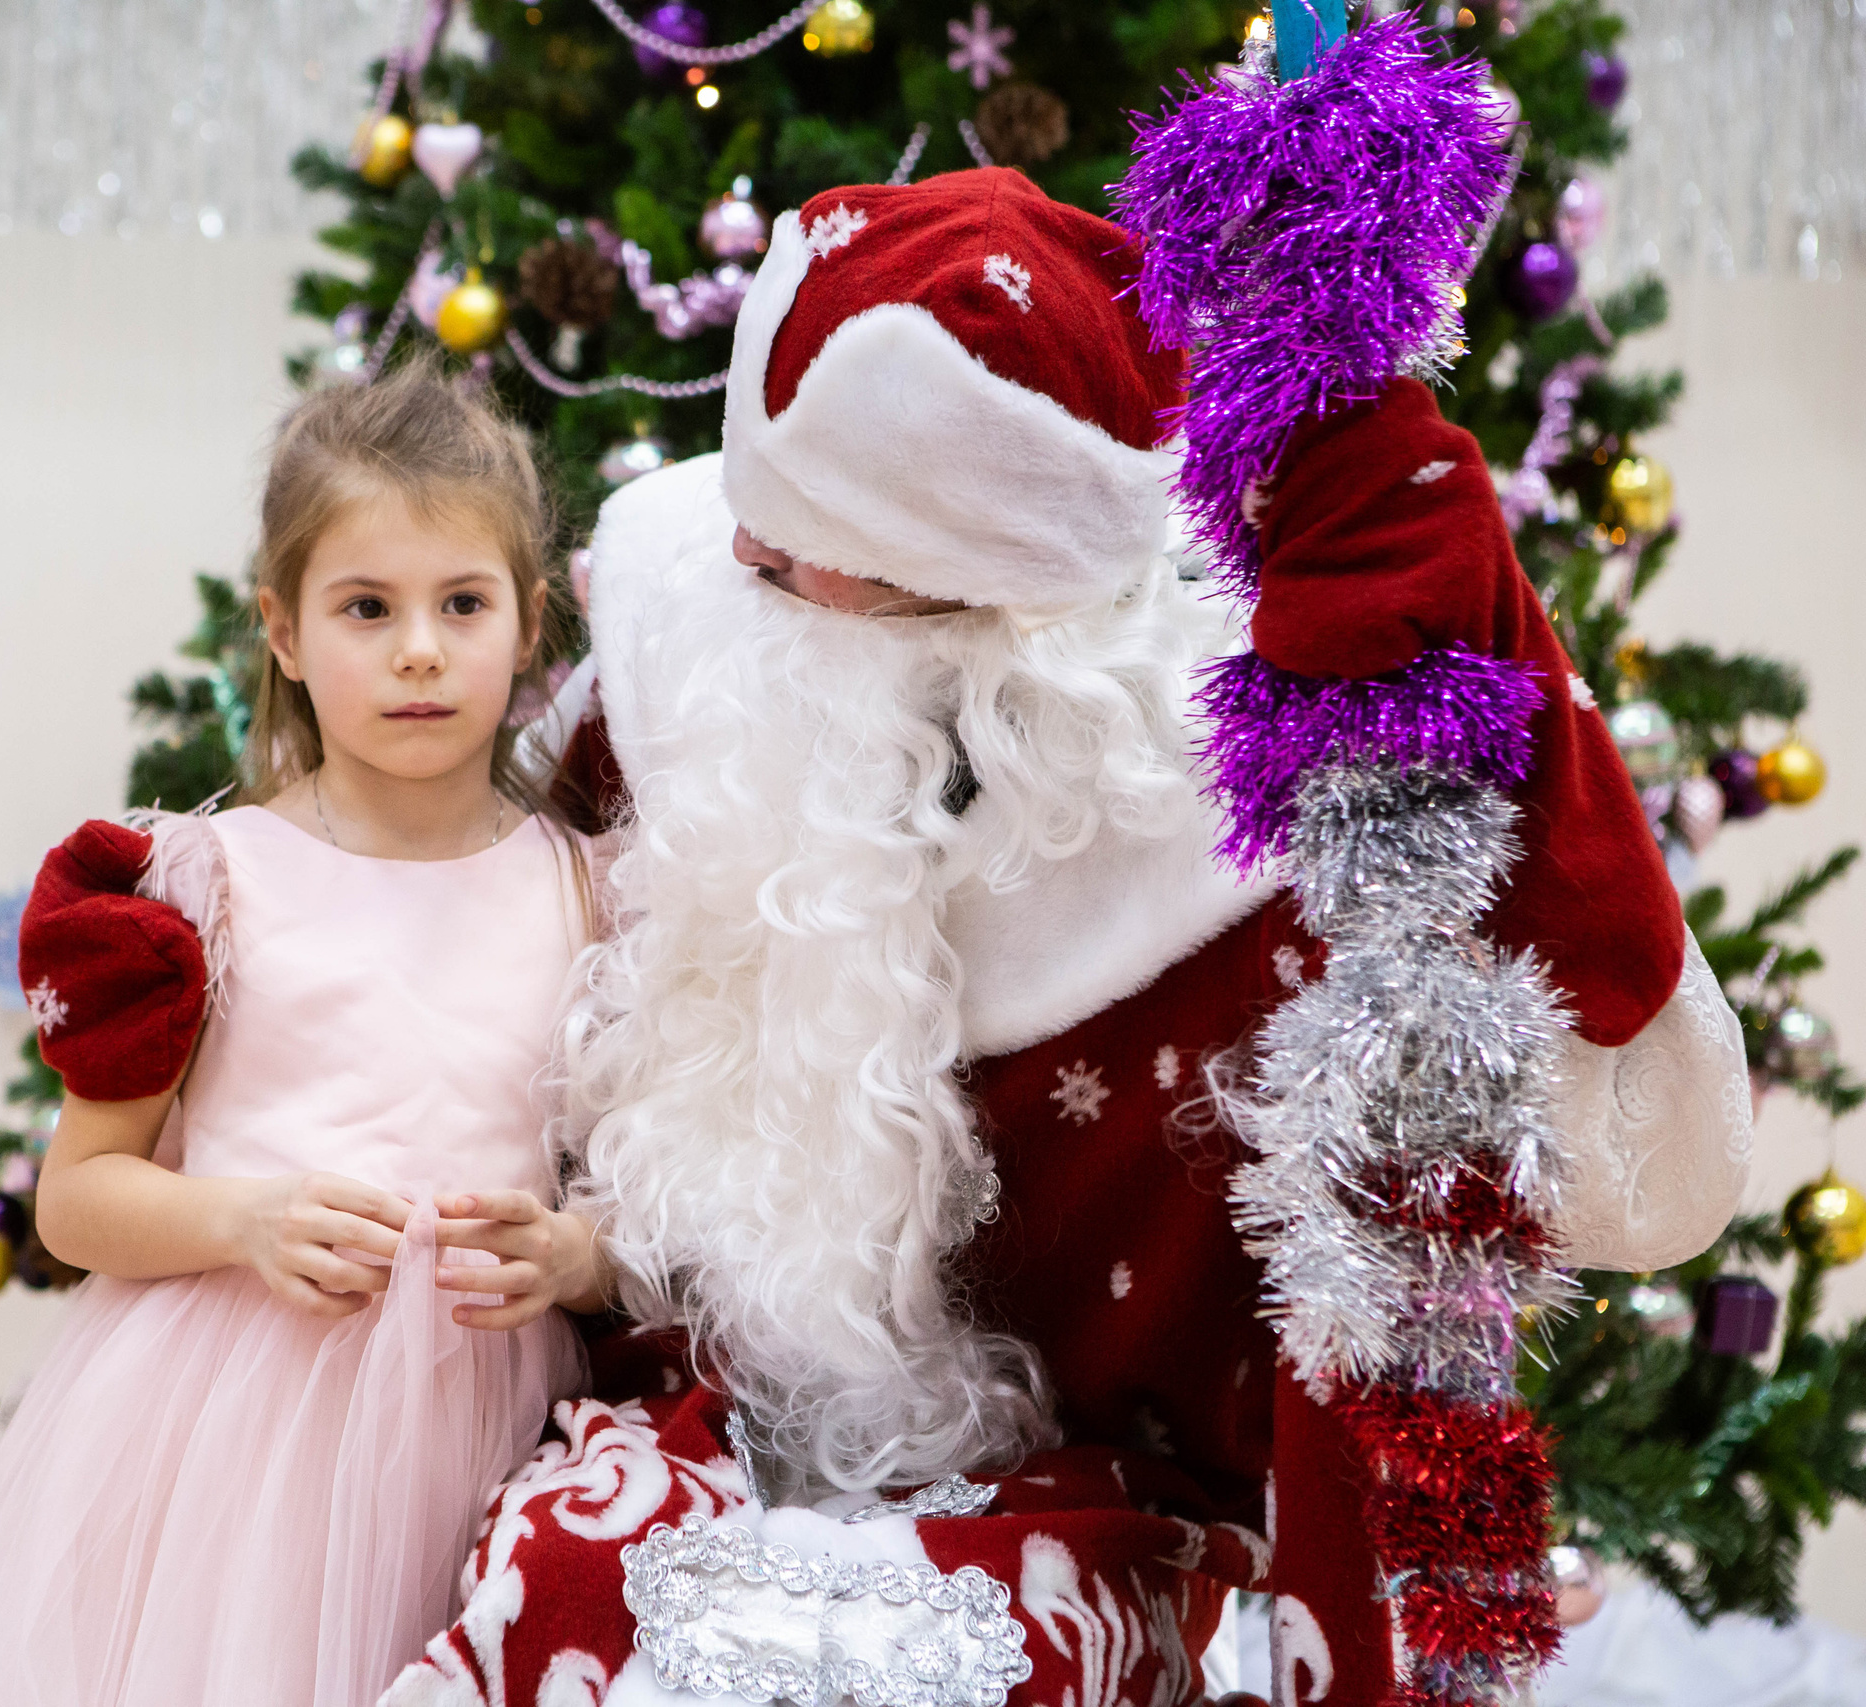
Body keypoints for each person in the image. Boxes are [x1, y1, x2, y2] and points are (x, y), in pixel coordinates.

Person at [387, 168, 1752, 1707]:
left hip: (1076, 1498)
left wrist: (1501, 683)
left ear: (993, 604)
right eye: (748, 538)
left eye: (801, 567)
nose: (741, 579)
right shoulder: (679, 643)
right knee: (569, 1602)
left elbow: (1651, 1169)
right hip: (671, 1406)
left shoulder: (1243, 841)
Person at [0, 360, 608, 1707]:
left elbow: (657, 1210)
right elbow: (77, 1202)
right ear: (281, 630)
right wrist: (245, 1222)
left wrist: (575, 1254)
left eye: (463, 603)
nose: (420, 651)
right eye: (365, 608)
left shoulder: (587, 891)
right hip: (233, 1448)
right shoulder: (203, 887)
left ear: (532, 622)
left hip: (497, 1448)